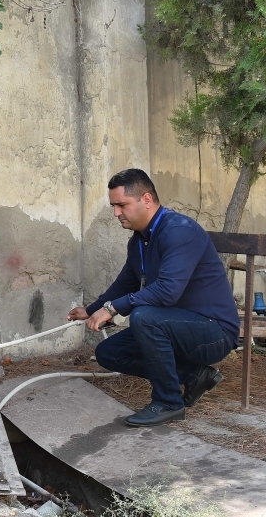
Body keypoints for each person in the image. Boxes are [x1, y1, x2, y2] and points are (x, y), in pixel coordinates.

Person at [67, 169, 240, 427]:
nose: (116, 213)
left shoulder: (179, 231)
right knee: (109, 352)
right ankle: (194, 375)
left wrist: (112, 309)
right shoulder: (139, 241)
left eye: (122, 205)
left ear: (146, 200)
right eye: (114, 206)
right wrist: (91, 310)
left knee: (144, 316)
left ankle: (169, 403)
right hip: (177, 327)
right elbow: (125, 284)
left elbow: (167, 291)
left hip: (214, 332)